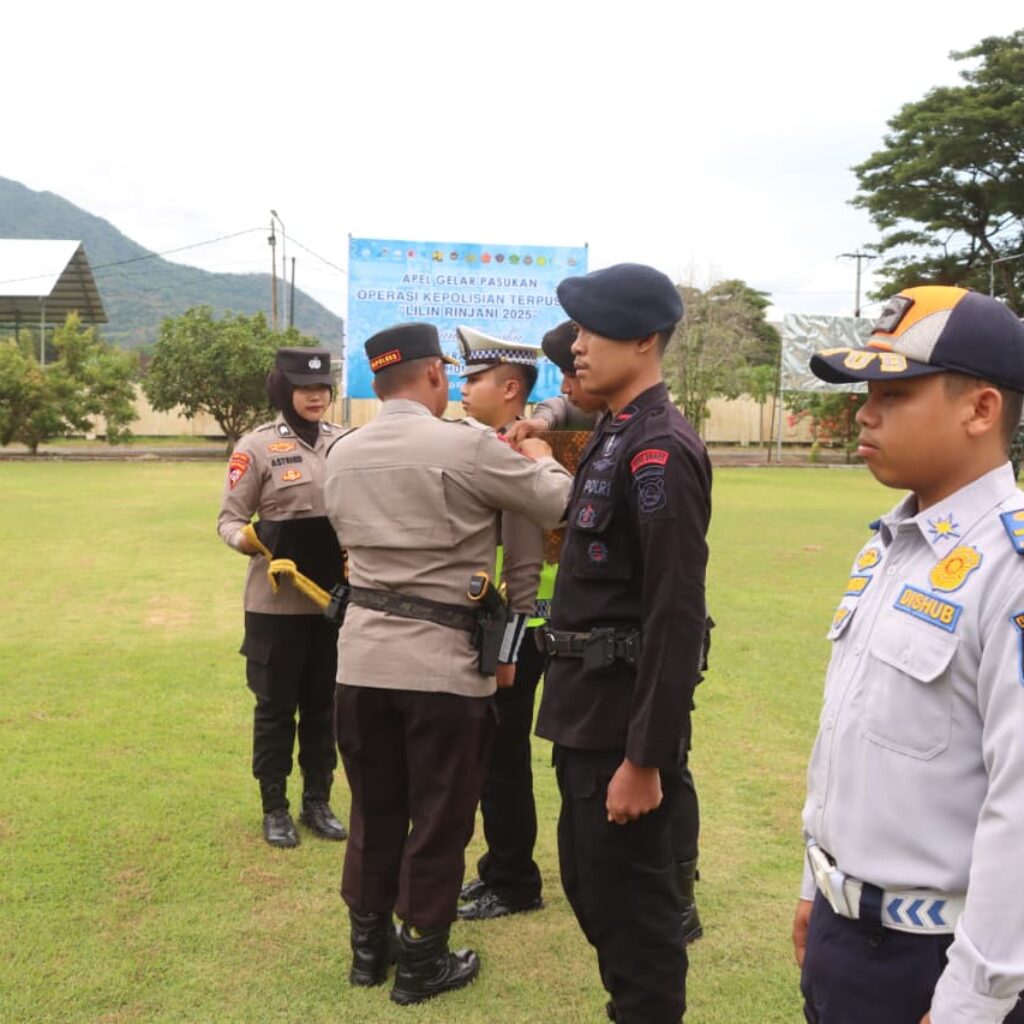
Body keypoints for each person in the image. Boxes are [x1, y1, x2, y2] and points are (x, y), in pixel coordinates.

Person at [793, 285, 1024, 1024]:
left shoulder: (1009, 565)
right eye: (867, 390)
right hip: (844, 934)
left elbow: (1018, 807)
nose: (865, 411)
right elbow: (847, 737)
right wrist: (813, 887)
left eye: (894, 391)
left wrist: (972, 1000)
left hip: (938, 959)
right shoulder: (888, 546)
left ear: (980, 409)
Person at [323, 322, 572, 1006]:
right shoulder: (464, 447)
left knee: (374, 810)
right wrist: (545, 452)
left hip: (361, 661)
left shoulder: (342, 452)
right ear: (434, 374)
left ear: (378, 382)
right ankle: (422, 961)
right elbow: (557, 503)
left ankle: (367, 953)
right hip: (442, 668)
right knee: (438, 816)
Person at [535, 264, 713, 1024]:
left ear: (644, 339)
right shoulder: (612, 433)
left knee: (635, 916)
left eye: (589, 331)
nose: (575, 347)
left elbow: (673, 615)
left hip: (620, 725)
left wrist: (645, 759)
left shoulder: (659, 451)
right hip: (584, 711)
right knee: (590, 886)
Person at [217, 346, 350, 849]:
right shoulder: (256, 447)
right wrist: (249, 540)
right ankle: (274, 805)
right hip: (275, 606)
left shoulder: (346, 442)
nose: (315, 396)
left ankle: (317, 799)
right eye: (304, 387)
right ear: (283, 390)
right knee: (275, 708)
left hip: (333, 603)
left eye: (322, 387)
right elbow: (228, 519)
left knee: (325, 706)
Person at [454, 325, 549, 921]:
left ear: (510, 387)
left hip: (517, 629)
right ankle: (501, 870)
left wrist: (507, 648)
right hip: (510, 625)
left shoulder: (513, 452)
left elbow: (524, 565)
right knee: (496, 756)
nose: (463, 388)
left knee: (502, 758)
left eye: (474, 379)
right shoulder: (498, 442)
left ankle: (514, 880)